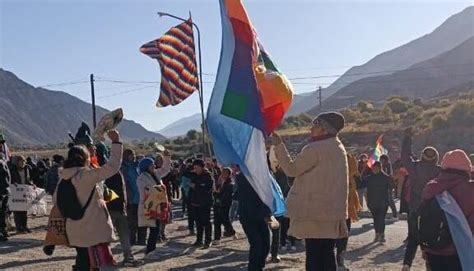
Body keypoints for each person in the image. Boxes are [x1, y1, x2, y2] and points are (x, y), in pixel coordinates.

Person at [273, 111, 349, 271]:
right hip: (332, 212)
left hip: (314, 212)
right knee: (327, 255)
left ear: (324, 129)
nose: (311, 128)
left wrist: (279, 146)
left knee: (314, 257)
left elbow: (291, 169)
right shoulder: (338, 147)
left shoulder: (315, 148)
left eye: (315, 125)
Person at [54, 130, 122, 271]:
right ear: (85, 158)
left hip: (74, 229)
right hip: (93, 230)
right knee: (96, 263)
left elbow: (56, 201)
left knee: (83, 261)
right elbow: (112, 167)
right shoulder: (86, 175)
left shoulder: (63, 178)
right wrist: (116, 142)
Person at [421, 149, 474, 271]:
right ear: (466, 169)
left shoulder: (431, 187)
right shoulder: (471, 189)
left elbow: (424, 217)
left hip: (433, 249)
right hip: (461, 251)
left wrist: (424, 248)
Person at [401, 127, 441, 270]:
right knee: (431, 241)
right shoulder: (440, 172)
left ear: (422, 156)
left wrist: (407, 139)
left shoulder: (415, 168)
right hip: (433, 212)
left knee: (413, 239)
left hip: (414, 209)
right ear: (436, 158)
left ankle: (406, 265)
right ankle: (429, 267)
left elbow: (405, 156)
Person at [102, 159, 142, 267]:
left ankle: (128, 257)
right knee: (107, 236)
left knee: (124, 234)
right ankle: (105, 259)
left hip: (120, 209)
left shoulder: (119, 173)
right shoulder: (107, 175)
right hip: (111, 209)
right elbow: (106, 193)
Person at [234, 164, 273, 271]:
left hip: (263, 215)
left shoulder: (265, 176)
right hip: (248, 217)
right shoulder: (242, 177)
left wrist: (269, 214)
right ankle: (254, 268)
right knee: (256, 243)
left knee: (266, 243)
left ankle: (260, 266)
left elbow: (269, 195)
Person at [137, 157, 168, 255]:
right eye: (151, 165)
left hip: (157, 205)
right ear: (146, 167)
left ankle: (151, 250)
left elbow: (165, 170)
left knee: (156, 229)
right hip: (149, 206)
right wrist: (158, 190)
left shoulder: (156, 174)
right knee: (153, 229)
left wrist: (167, 158)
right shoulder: (141, 178)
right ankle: (150, 251)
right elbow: (144, 192)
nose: (154, 166)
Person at [336, 153, 361, 269]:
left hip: (346, 213)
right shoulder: (333, 176)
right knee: (334, 240)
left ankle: (340, 262)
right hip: (334, 213)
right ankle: (335, 263)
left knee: (343, 239)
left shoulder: (351, 179)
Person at [185, 159, 214, 249]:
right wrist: (191, 167)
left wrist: (196, 186)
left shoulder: (207, 175)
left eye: (197, 168)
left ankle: (208, 241)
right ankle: (199, 240)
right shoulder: (194, 175)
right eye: (194, 168)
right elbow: (184, 173)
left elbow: (207, 188)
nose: (196, 169)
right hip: (195, 202)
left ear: (202, 167)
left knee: (206, 222)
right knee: (198, 223)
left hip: (205, 203)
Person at [365, 161, 391, 243]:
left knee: (381, 219)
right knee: (375, 219)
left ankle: (382, 234)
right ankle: (377, 234)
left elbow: (392, 187)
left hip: (383, 202)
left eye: (377, 168)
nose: (375, 170)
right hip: (372, 202)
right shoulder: (369, 178)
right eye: (373, 168)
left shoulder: (386, 177)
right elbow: (362, 184)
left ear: (380, 169)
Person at [120, 149, 141, 245]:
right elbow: (124, 183)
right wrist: (127, 196)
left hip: (139, 197)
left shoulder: (136, 166)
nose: (134, 156)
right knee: (131, 221)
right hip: (130, 198)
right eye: (131, 154)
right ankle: (131, 240)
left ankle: (140, 240)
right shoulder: (123, 168)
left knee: (139, 220)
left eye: (134, 154)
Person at [9, 155, 33, 233]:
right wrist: (13, 183)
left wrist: (32, 184)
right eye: (21, 161)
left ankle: (25, 226)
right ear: (16, 162)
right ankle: (19, 228)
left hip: (24, 192)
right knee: (17, 212)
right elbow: (9, 180)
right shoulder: (12, 169)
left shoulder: (26, 169)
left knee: (24, 210)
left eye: (23, 160)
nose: (23, 162)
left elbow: (28, 179)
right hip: (16, 192)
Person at [213, 167, 236, 244]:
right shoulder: (220, 182)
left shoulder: (230, 184)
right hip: (217, 204)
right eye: (222, 173)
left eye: (225, 173)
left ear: (228, 175)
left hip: (225, 204)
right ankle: (217, 238)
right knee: (217, 221)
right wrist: (216, 193)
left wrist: (219, 196)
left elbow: (226, 195)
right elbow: (217, 193)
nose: (223, 174)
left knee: (225, 220)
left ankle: (232, 232)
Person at [380, 154, 398, 220]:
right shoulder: (383, 165)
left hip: (388, 185)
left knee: (390, 201)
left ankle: (395, 215)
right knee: (385, 201)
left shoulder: (387, 165)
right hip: (384, 185)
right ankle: (384, 215)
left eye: (382, 159)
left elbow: (389, 175)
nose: (381, 161)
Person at [0, 153, 11, 241]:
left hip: (4, 192)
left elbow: (7, 179)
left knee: (3, 212)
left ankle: (3, 230)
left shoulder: (3, 163)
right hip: (2, 192)